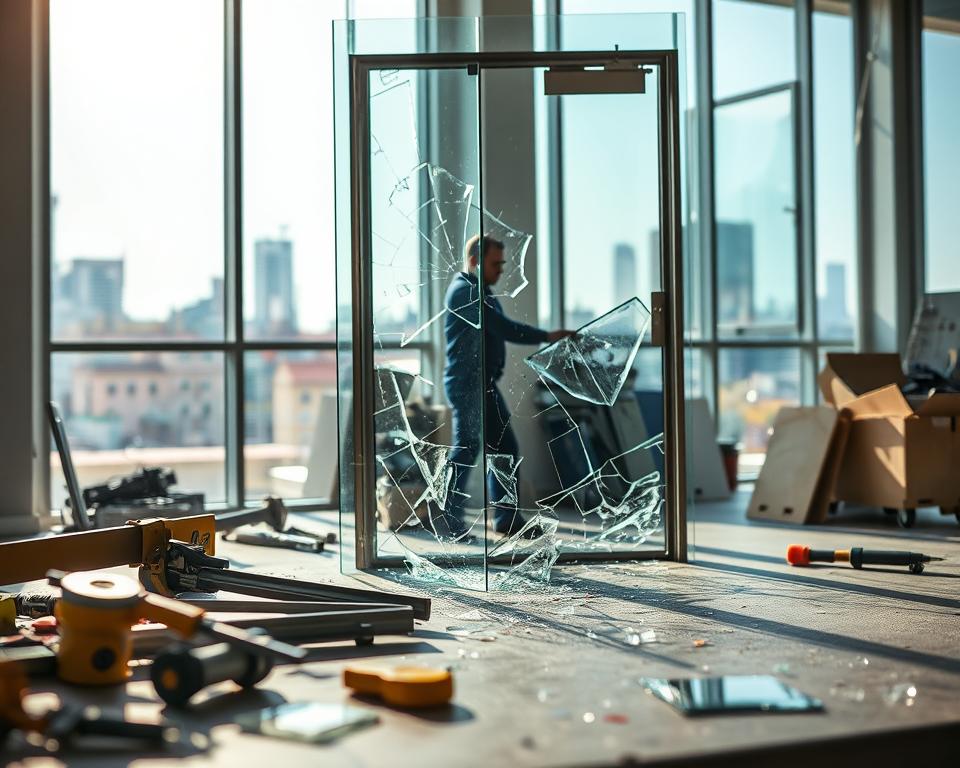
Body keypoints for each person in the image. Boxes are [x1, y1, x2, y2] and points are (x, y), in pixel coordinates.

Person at [441, 233, 573, 538]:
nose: (501, 270)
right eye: (495, 263)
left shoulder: (481, 292)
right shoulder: (465, 292)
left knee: (504, 448)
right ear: (475, 261)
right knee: (467, 448)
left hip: (482, 383)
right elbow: (503, 328)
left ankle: (505, 520)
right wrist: (547, 336)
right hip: (467, 383)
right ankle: (449, 521)